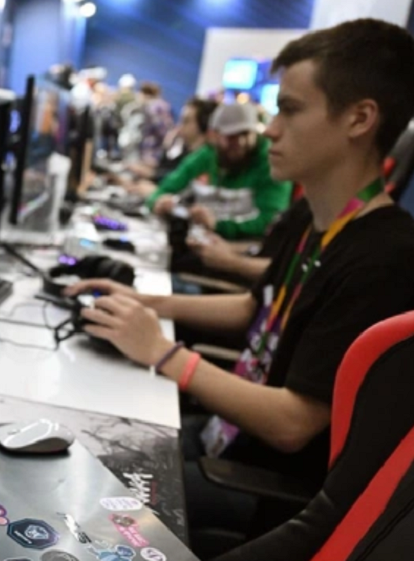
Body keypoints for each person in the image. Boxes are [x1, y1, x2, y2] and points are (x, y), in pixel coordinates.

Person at [67, 17, 414, 546]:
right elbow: (255, 307)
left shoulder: (385, 257)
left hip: (259, 486)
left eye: (289, 110)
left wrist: (162, 352)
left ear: (359, 119)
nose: (269, 129)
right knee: (82, 432)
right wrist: (143, 300)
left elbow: (293, 423)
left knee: (81, 490)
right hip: (224, 438)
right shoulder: (312, 215)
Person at [147, 102, 293, 240]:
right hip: (203, 242)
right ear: (214, 135)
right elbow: (165, 189)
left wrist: (218, 225)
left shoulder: (270, 164)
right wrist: (158, 202)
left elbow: (270, 221)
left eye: (246, 134)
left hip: (244, 249)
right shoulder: (205, 157)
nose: (241, 142)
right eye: (232, 136)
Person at [119, 97, 219, 196]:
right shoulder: (187, 152)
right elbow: (172, 177)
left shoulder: (209, 160)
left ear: (204, 125)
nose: (180, 126)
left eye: (186, 121)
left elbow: (188, 196)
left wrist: (156, 194)